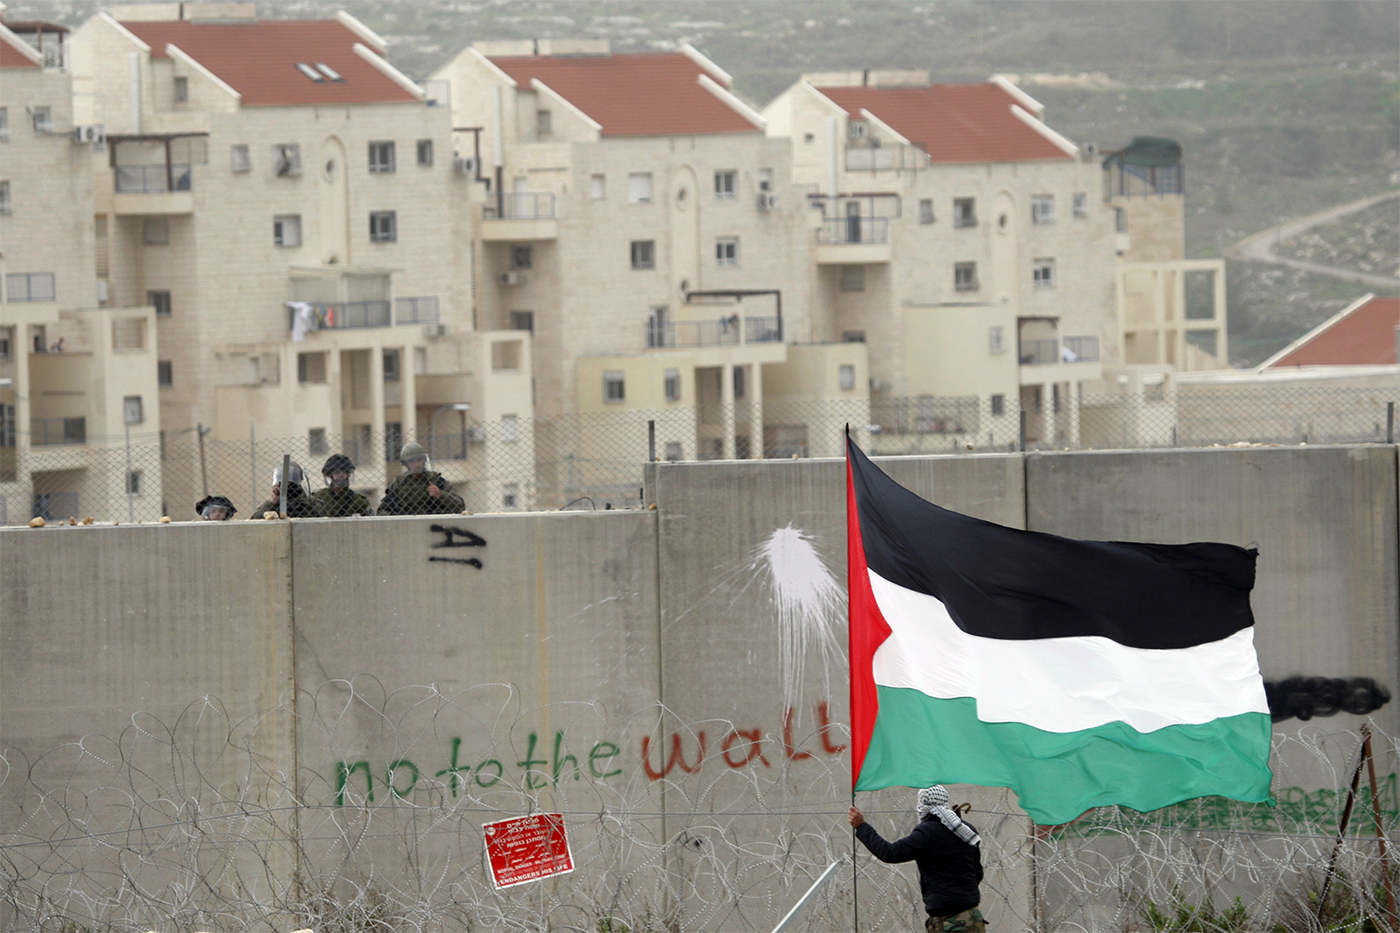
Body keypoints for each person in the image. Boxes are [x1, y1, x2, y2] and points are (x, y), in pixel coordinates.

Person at [848, 786, 985, 932]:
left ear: (922, 804)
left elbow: (889, 853)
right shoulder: (966, 830)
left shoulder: (927, 832)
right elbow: (978, 872)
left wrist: (862, 826)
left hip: (948, 920)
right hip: (973, 916)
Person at [376, 441, 464, 515]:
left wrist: (440, 495)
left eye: (419, 460)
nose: (417, 464)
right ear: (406, 464)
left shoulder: (436, 481)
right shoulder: (398, 483)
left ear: (424, 460)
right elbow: (382, 510)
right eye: (412, 461)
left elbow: (460, 506)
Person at [250, 461, 327, 518]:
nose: (283, 482)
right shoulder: (274, 504)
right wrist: (272, 503)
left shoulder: (311, 503)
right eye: (281, 478)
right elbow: (254, 522)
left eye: (288, 479)